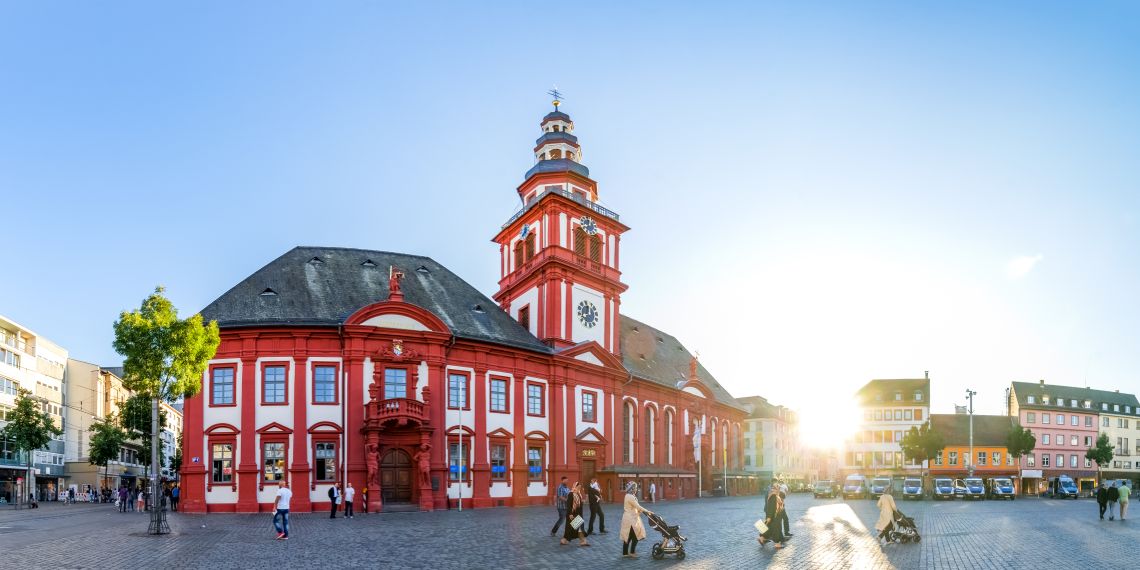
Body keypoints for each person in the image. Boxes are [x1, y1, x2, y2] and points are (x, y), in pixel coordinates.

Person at [620, 481, 653, 559]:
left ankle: (625, 553)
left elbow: (634, 507)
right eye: (635, 488)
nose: (636, 489)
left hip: (630, 518)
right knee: (635, 534)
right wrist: (647, 511)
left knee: (629, 535)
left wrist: (639, 511)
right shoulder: (630, 496)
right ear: (631, 488)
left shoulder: (628, 495)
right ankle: (632, 552)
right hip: (630, 519)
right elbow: (638, 506)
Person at [562, 482, 590, 546]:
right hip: (573, 514)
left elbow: (578, 503)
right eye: (578, 487)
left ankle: (564, 540)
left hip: (578, 513)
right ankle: (583, 541)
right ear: (575, 486)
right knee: (577, 527)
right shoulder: (571, 494)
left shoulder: (578, 494)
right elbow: (569, 505)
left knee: (573, 528)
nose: (579, 488)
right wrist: (570, 514)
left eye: (580, 487)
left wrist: (582, 501)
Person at [758, 484, 785, 549]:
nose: (779, 490)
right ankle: (777, 544)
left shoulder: (771, 494)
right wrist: (769, 516)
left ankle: (761, 538)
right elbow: (772, 506)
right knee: (776, 529)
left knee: (767, 527)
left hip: (772, 515)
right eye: (778, 488)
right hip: (774, 516)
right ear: (776, 489)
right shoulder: (773, 496)